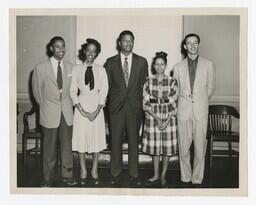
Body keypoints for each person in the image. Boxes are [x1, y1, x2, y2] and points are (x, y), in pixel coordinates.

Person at [104, 30, 148, 185]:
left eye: (131, 40)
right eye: (125, 40)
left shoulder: (142, 62)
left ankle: (133, 173)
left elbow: (144, 86)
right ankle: (115, 173)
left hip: (134, 108)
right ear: (119, 43)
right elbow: (106, 87)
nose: (128, 43)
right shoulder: (110, 62)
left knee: (133, 141)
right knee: (115, 141)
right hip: (116, 109)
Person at [32, 36, 77, 187]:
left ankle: (67, 175)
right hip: (49, 113)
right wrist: (47, 107)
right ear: (51, 48)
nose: (61, 49)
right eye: (57, 47)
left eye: (63, 46)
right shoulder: (40, 68)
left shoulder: (71, 67)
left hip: (66, 112)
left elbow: (73, 91)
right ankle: (48, 178)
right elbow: (37, 94)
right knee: (49, 149)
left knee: (66, 147)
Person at [173, 33, 216, 185]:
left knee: (199, 148)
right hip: (183, 112)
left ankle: (197, 178)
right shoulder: (177, 68)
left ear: (199, 44)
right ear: (184, 46)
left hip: (200, 110)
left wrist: (199, 101)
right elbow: (175, 90)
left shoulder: (208, 65)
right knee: (183, 148)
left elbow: (210, 89)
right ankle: (185, 176)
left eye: (195, 42)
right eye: (189, 43)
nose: (192, 45)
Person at [70, 38, 108, 185]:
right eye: (89, 50)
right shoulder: (76, 69)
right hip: (81, 107)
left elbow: (104, 91)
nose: (91, 53)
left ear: (97, 53)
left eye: (94, 51)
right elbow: (73, 91)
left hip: (97, 106)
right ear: (84, 51)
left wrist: (97, 110)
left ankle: (94, 169)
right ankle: (83, 169)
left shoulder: (101, 70)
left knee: (96, 138)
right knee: (81, 138)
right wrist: (81, 109)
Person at [142, 52, 178, 187]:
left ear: (165, 66)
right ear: (153, 66)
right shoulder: (148, 81)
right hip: (152, 118)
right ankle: (156, 174)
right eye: (156, 64)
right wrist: (157, 119)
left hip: (169, 119)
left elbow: (173, 103)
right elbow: (146, 103)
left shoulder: (172, 82)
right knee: (155, 148)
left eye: (162, 64)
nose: (159, 67)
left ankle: (163, 174)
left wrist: (167, 120)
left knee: (166, 148)